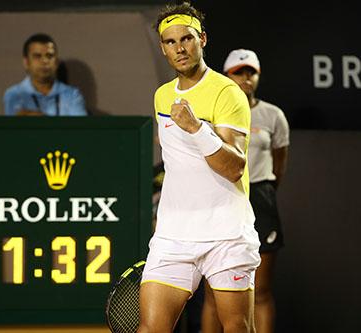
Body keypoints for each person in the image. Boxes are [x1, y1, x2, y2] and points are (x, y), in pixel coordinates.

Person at [138, 3, 261, 333]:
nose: (180, 48)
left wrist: (197, 128)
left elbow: (234, 167)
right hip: (174, 236)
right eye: (170, 42)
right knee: (150, 329)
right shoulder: (162, 96)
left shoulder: (227, 92)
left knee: (237, 327)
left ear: (202, 39)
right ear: (163, 48)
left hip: (226, 234)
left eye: (187, 38)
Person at [202, 49, 290, 333]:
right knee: (215, 293)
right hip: (221, 196)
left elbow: (280, 161)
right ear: (228, 75)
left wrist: (263, 190)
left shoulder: (273, 115)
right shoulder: (213, 110)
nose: (245, 78)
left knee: (260, 291)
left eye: (250, 72)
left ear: (258, 75)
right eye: (238, 72)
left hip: (261, 198)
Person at [3, 33, 87, 116]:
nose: (45, 61)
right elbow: (16, 128)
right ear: (26, 62)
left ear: (56, 62)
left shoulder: (72, 95)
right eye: (37, 56)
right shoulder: (14, 94)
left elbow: (79, 128)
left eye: (49, 56)